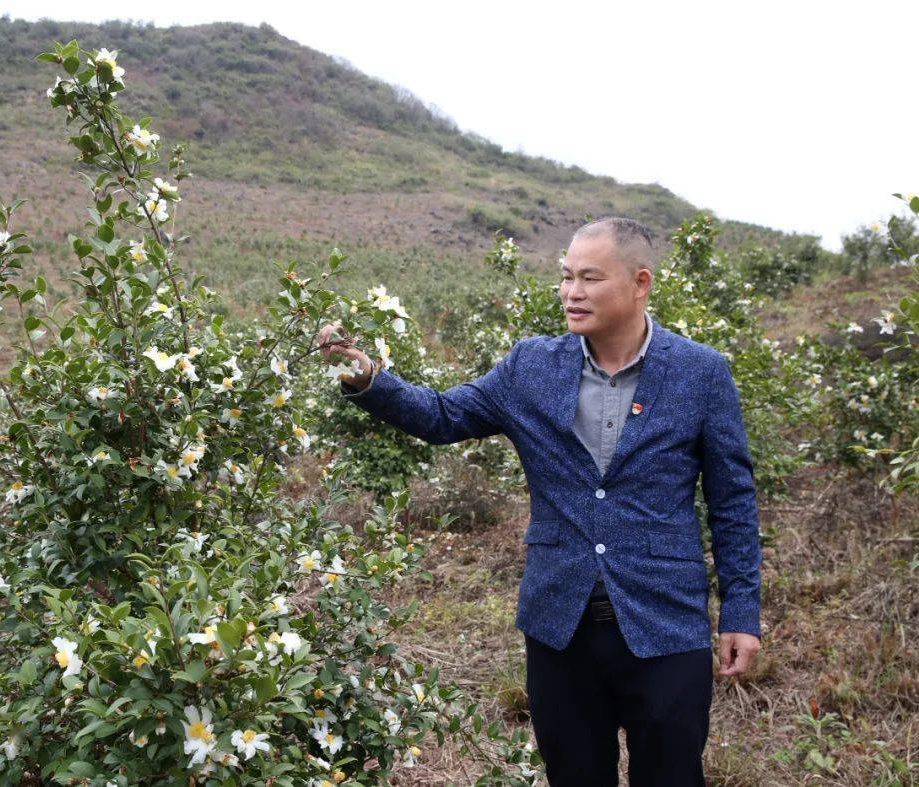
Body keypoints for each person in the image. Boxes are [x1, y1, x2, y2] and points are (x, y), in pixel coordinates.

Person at [316, 216, 762, 786]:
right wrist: (363, 376)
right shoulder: (531, 366)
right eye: (566, 276)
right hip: (559, 627)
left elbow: (732, 501)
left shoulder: (700, 373)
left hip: (666, 624)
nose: (572, 292)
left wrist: (741, 612)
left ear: (640, 283)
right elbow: (443, 416)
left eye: (590, 278)